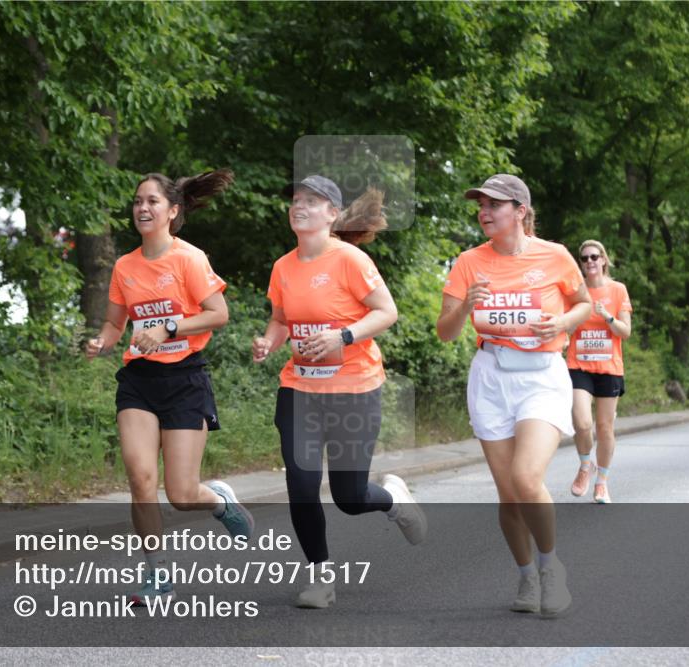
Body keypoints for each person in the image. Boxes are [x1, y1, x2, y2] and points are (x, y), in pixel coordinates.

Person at [252, 175, 427, 609]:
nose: (300, 206)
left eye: (312, 201)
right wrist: (268, 341)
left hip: (354, 388)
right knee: (302, 484)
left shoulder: (349, 259)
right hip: (300, 388)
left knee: (349, 497)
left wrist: (343, 336)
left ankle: (394, 502)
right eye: (296, 200)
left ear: (332, 214)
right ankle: (320, 576)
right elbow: (281, 319)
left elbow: (387, 311)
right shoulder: (283, 267)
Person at [86, 169, 253, 605]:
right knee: (141, 479)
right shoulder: (125, 266)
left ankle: (219, 502)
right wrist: (102, 340)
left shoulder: (189, 259)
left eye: (153, 201)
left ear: (173, 211)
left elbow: (219, 314)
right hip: (139, 381)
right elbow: (115, 322)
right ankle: (156, 574)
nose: (143, 207)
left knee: (181, 494)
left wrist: (168, 327)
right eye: (138, 201)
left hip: (184, 378)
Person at [436, 174, 591, 617]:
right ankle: (524, 575)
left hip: (542, 376)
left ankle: (549, 567)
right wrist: (466, 306)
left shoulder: (555, 255)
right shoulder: (468, 262)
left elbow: (582, 303)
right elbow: (445, 333)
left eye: (494, 205)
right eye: (481, 205)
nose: (484, 212)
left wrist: (562, 324)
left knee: (526, 479)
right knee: (508, 494)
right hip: (491, 377)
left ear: (520, 211)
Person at [566, 240, 632, 504]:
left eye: (594, 257)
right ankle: (585, 466)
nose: (590, 261)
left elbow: (625, 332)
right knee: (582, 422)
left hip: (608, 368)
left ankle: (602, 481)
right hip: (579, 365)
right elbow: (566, 327)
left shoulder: (617, 290)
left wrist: (608, 317)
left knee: (605, 428)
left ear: (604, 260)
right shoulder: (574, 291)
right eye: (584, 258)